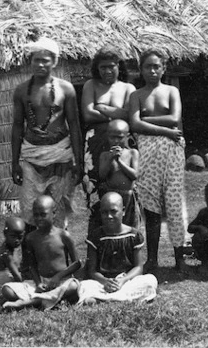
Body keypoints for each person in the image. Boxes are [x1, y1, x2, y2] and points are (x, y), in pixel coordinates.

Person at [11, 37, 83, 228]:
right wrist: (14, 162)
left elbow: (74, 125)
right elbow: (18, 125)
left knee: (58, 211)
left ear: (55, 62)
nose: (41, 64)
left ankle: (58, 253)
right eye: (37, 60)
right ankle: (32, 254)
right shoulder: (20, 91)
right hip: (31, 156)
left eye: (46, 60)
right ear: (30, 62)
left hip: (60, 156)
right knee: (29, 211)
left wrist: (79, 161)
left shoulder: (66, 89)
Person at [128, 49, 189, 272]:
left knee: (173, 204)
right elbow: (134, 124)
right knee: (151, 206)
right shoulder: (136, 95)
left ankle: (179, 257)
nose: (152, 71)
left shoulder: (171, 91)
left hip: (171, 151)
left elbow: (175, 118)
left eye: (157, 66)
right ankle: (152, 258)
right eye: (148, 67)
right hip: (147, 152)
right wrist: (166, 130)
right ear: (141, 69)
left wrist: (145, 120)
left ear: (164, 68)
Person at [1, 195, 82, 310]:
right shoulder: (31, 238)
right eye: (36, 215)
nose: (39, 219)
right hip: (43, 282)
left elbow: (77, 263)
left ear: (53, 213)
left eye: (43, 215)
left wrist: (58, 276)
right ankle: (50, 299)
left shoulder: (63, 235)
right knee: (7, 290)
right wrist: (38, 283)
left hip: (61, 281)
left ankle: (30, 302)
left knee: (73, 286)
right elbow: (32, 265)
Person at [77, 192, 157, 305]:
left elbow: (138, 267)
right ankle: (123, 299)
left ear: (123, 211)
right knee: (85, 285)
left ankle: (103, 299)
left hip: (126, 281)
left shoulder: (134, 235)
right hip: (103, 282)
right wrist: (105, 281)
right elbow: (92, 270)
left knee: (149, 280)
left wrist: (122, 281)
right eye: (105, 212)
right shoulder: (95, 236)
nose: (109, 216)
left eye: (113, 211)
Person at [81, 48, 135, 205]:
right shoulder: (91, 85)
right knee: (96, 183)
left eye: (111, 66)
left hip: (121, 141)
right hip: (95, 140)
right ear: (97, 68)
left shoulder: (127, 88)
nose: (107, 71)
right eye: (102, 67)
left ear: (119, 66)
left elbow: (129, 116)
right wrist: (117, 113)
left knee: (122, 179)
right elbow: (87, 114)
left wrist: (101, 107)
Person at [88, 119, 141, 234]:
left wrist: (120, 162)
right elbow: (102, 175)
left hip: (128, 197)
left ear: (127, 136)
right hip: (110, 196)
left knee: (129, 228)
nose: (116, 141)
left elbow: (134, 175)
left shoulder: (132, 153)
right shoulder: (105, 155)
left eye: (120, 137)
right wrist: (111, 158)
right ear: (107, 136)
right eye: (112, 137)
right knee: (110, 227)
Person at [0, 216, 26, 296]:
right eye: (13, 237)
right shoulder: (6, 253)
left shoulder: (11, 248)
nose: (16, 241)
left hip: (11, 283)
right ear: (5, 234)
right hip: (3, 290)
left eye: (20, 237)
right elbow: (17, 276)